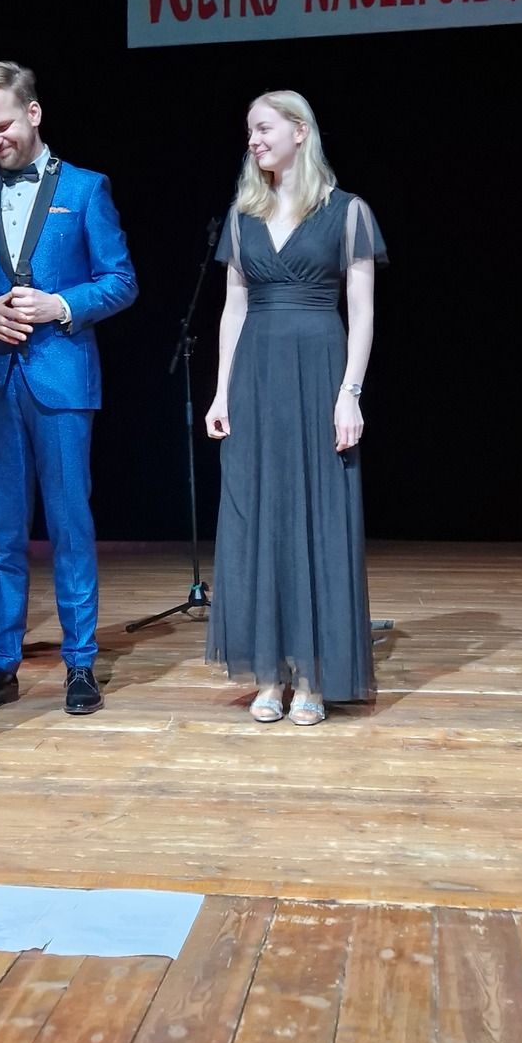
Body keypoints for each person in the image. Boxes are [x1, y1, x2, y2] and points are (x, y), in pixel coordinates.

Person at [0, 60, 137, 718]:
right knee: (2, 534)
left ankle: (80, 661)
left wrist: (61, 305)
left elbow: (121, 280)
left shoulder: (85, 188)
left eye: (2, 125)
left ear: (33, 113)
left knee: (69, 525)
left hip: (60, 378)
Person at [204, 91, 386, 723]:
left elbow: (361, 313)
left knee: (317, 514)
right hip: (255, 378)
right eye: (249, 131)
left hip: (318, 374)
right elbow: (233, 308)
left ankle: (312, 673)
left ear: (300, 131)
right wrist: (221, 391)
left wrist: (350, 393)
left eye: (263, 128)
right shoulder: (242, 215)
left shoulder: (347, 212)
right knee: (258, 517)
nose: (253, 140)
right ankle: (269, 671)